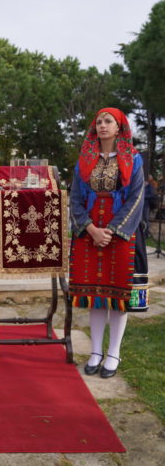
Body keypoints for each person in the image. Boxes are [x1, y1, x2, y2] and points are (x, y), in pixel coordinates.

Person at [69, 107, 147, 379]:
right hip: (90, 233)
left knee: (118, 296)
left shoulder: (133, 159)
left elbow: (136, 197)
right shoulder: (84, 160)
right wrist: (91, 229)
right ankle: (95, 351)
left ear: (119, 127)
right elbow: (75, 198)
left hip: (122, 234)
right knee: (95, 295)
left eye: (108, 121)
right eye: (99, 121)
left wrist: (112, 230)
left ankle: (113, 352)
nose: (102, 125)